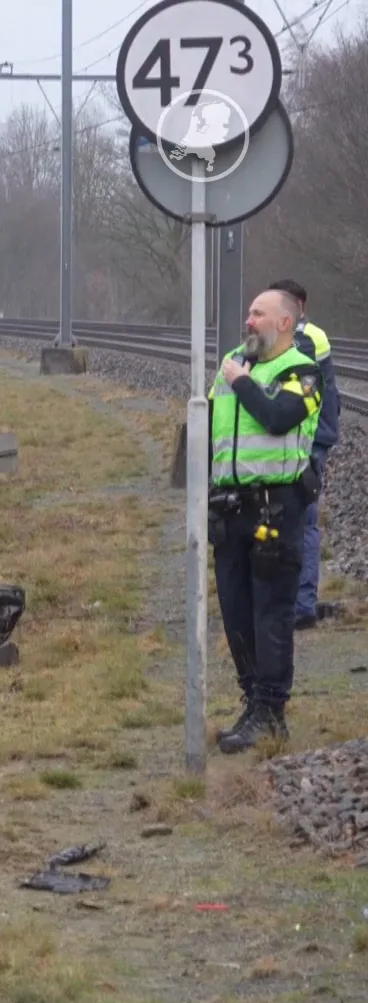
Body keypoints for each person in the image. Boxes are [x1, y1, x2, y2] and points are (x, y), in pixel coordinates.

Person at [209, 290, 324, 753]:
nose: (248, 320)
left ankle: (271, 711)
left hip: (275, 510)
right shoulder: (234, 363)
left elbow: (279, 417)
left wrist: (241, 383)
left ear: (283, 323)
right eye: (248, 311)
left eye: (258, 314)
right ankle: (252, 701)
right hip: (229, 509)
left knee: (271, 615)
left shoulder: (302, 371)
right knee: (236, 612)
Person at [268, 279, 339, 630]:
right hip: (305, 439)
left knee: (304, 519)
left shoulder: (308, 337)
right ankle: (294, 600)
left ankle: (302, 604)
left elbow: (293, 393)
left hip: (307, 442)